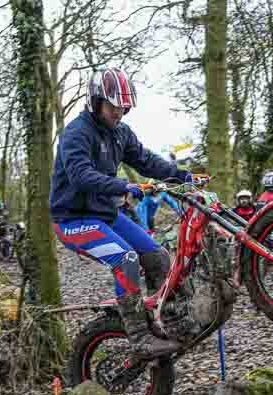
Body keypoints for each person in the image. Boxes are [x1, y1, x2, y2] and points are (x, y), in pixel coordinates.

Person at [49, 66, 199, 362]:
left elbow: (145, 160)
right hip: (73, 220)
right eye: (113, 106)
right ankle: (139, 337)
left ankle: (168, 320)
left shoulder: (120, 133)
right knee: (125, 258)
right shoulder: (75, 135)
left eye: (123, 107)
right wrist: (125, 186)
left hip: (106, 215)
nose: (119, 112)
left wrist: (181, 176)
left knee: (158, 257)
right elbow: (82, 176)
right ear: (95, 102)